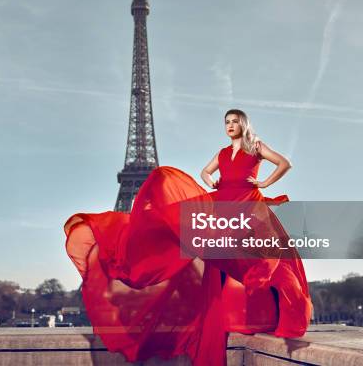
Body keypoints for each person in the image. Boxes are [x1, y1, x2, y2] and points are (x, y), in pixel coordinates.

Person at [64, 109, 312, 366]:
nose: (229, 126)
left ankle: (272, 312)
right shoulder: (223, 153)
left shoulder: (257, 146)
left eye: (234, 121)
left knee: (257, 260)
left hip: (248, 205)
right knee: (223, 261)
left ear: (244, 124)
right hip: (224, 205)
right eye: (226, 122)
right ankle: (235, 316)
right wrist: (211, 181)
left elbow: (285, 163)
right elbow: (206, 172)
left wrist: (264, 184)